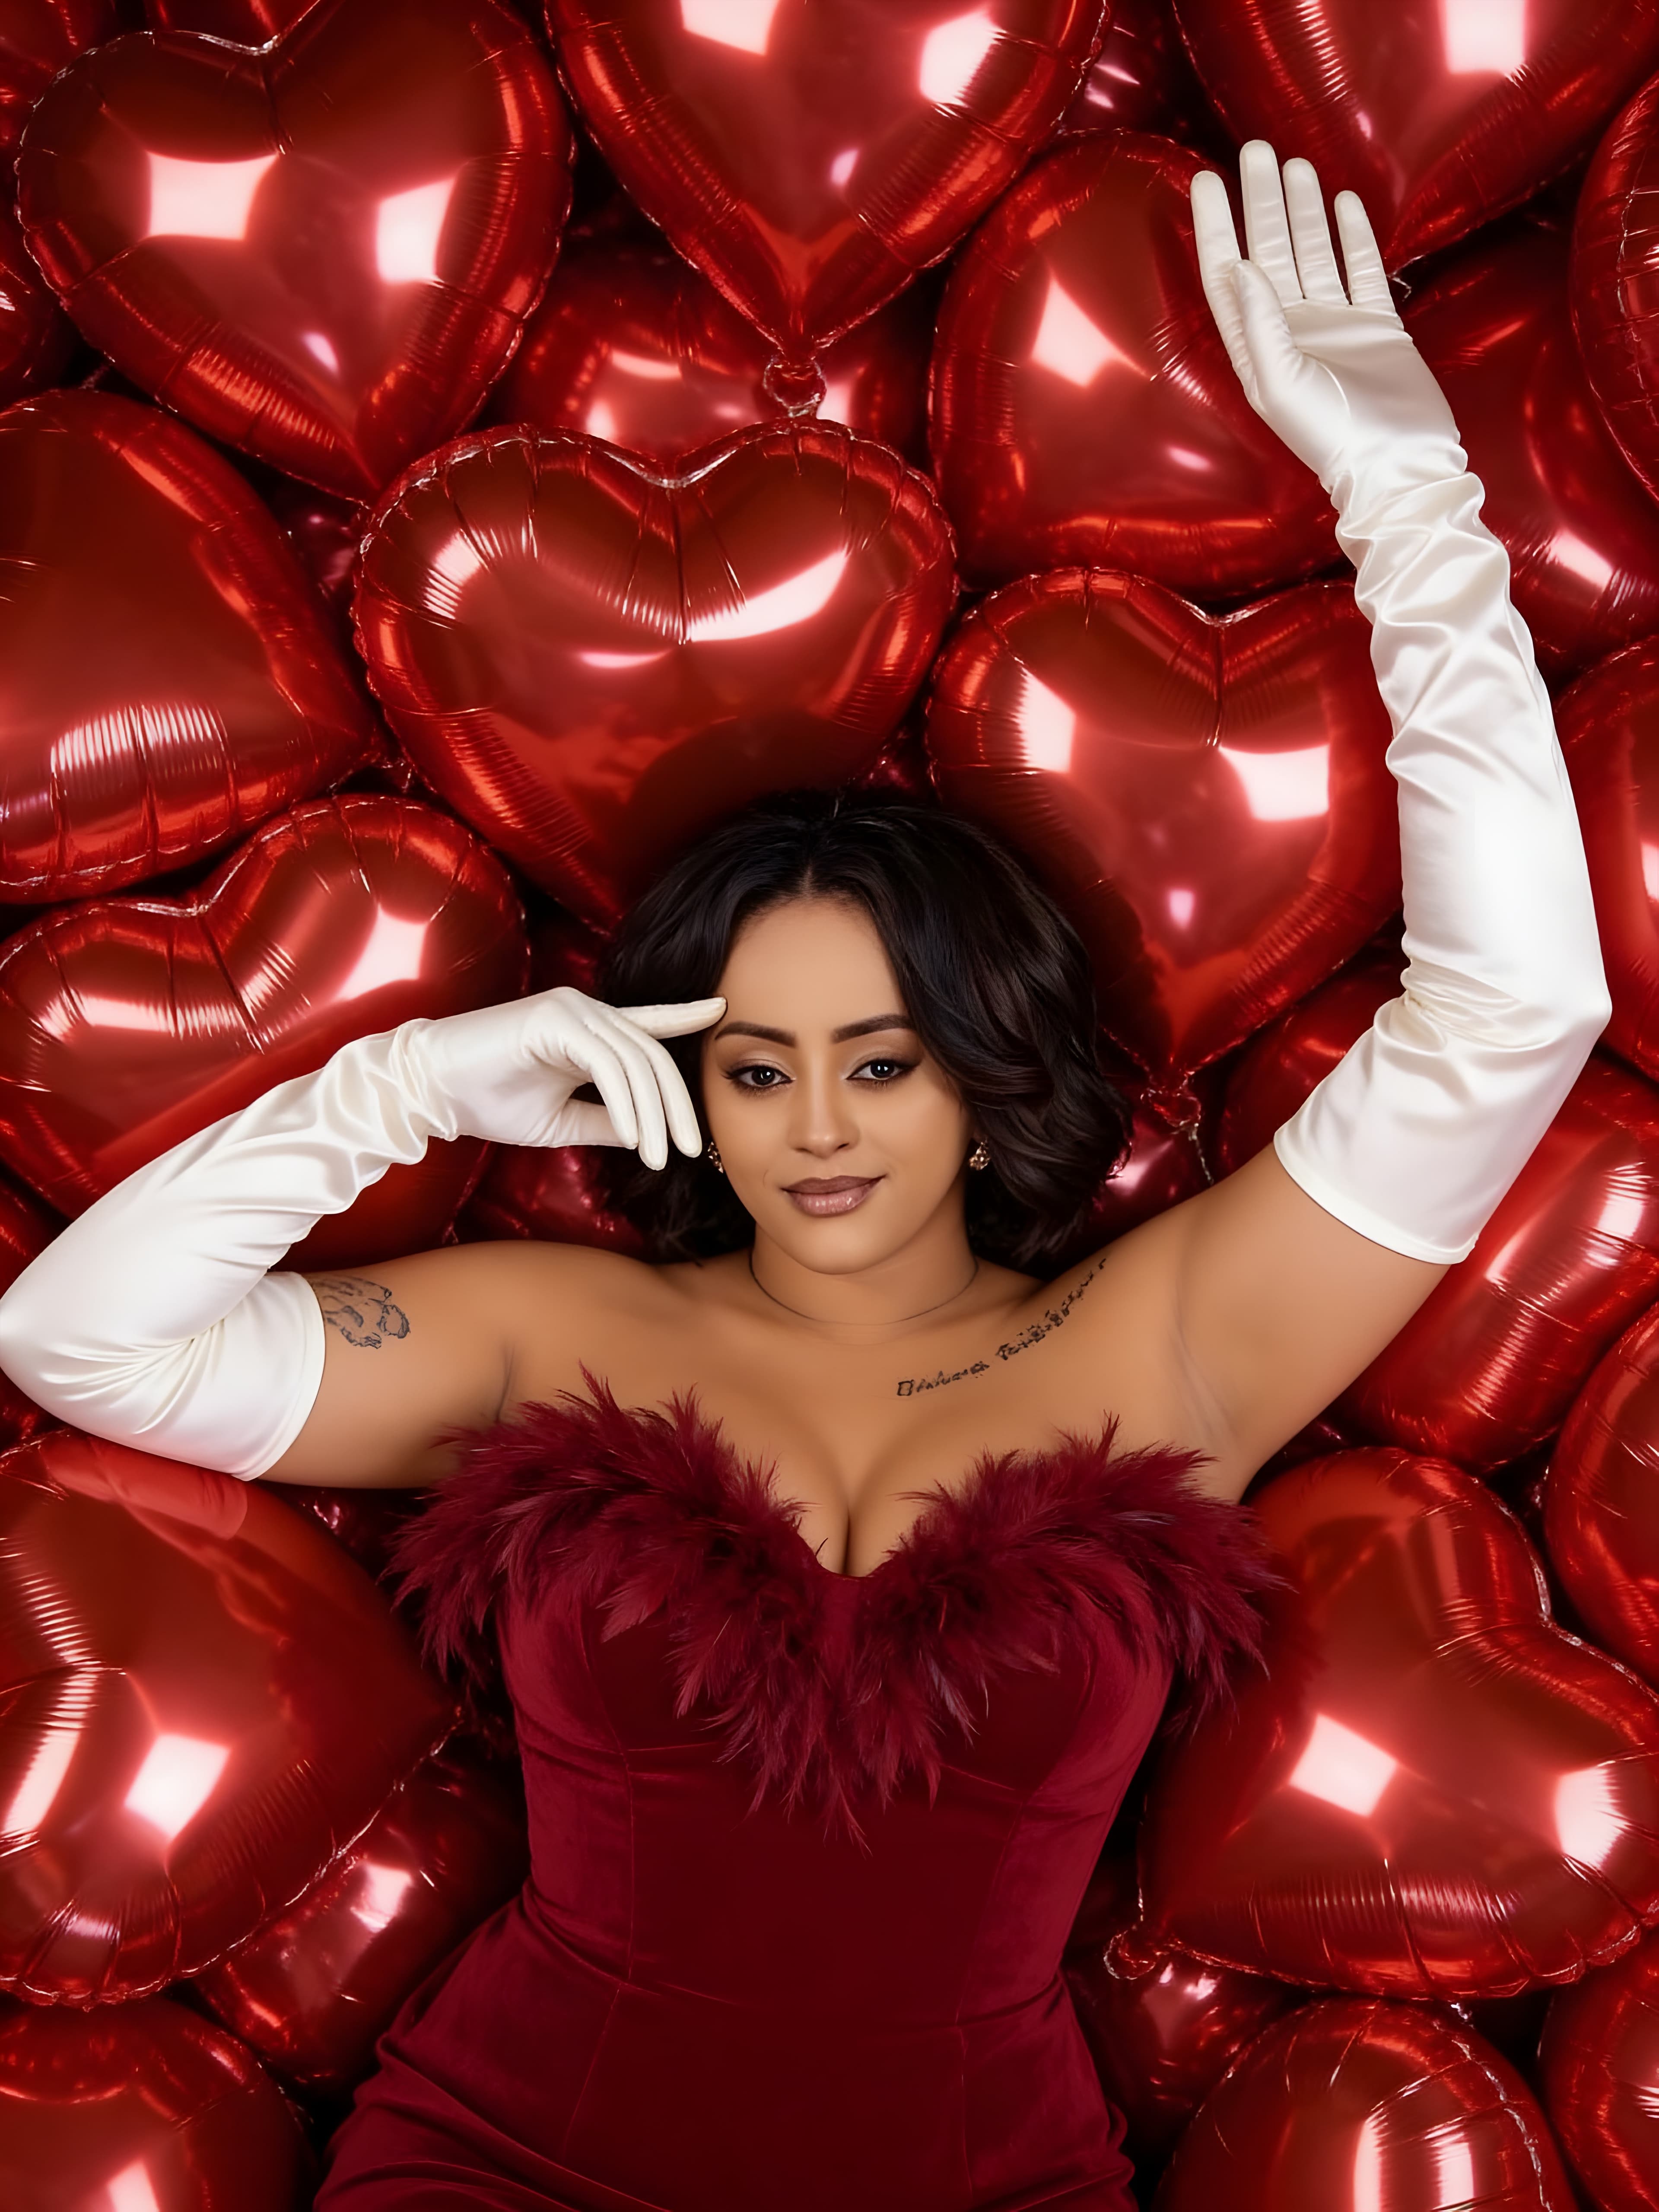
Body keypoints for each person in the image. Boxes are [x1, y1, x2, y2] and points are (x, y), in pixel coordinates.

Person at [0, 144, 1611, 2212]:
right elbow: (80, 1341)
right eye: (757, 1067)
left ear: (989, 1078)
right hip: (505, 2165)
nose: (821, 1124)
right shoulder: (563, 1334)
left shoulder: (1172, 1342)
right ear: (688, 1085)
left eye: (885, 1060)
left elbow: (1516, 1010)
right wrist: (400, 1084)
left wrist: (1410, 493)